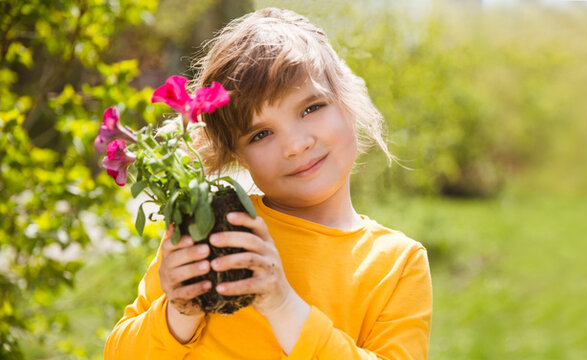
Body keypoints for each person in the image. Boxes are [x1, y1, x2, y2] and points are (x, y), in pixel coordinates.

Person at [104, 8, 432, 359]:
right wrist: (179, 313)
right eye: (261, 134)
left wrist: (283, 305)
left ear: (347, 101)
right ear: (237, 154)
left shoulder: (397, 264)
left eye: (311, 108)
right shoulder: (214, 229)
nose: (295, 145)